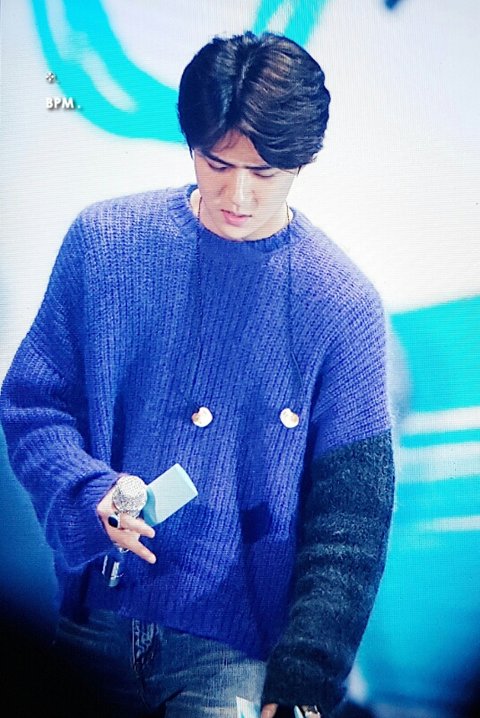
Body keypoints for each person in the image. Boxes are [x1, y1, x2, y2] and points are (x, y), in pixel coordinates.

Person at [0, 31, 395, 718]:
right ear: (191, 145)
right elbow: (35, 406)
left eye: (263, 173)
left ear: (301, 163)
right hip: (94, 620)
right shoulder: (106, 245)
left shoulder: (342, 305)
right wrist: (89, 492)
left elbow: (351, 522)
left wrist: (304, 683)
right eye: (217, 163)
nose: (237, 194)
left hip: (236, 656)